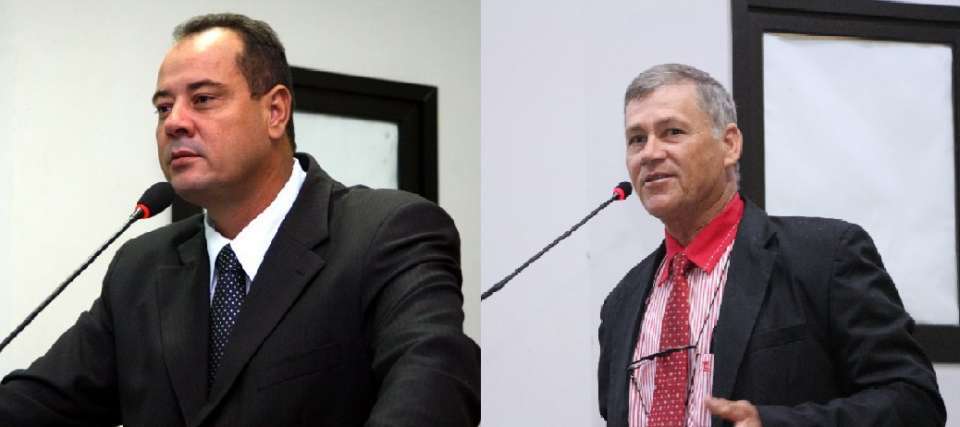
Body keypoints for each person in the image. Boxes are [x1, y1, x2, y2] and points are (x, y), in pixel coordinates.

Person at [0, 13, 479, 427]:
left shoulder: (387, 233)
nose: (174, 122)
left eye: (203, 99)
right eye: (163, 107)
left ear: (275, 111)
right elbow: (39, 404)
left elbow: (434, 388)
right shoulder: (140, 268)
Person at [597, 63, 944, 427]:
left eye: (672, 132)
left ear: (729, 144)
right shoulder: (620, 305)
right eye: (637, 139)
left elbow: (914, 404)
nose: (650, 153)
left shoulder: (826, 258)